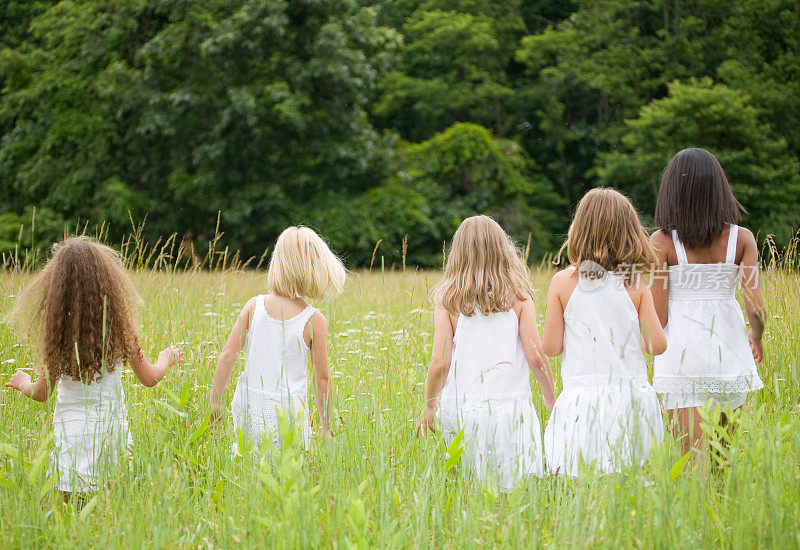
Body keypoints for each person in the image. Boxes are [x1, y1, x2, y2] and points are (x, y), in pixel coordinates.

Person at [5, 237, 182, 501]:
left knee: (69, 509)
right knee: (112, 510)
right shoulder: (121, 331)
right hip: (112, 435)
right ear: (108, 284)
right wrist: (165, 358)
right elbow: (150, 378)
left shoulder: (58, 337)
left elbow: (42, 393)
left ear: (56, 291)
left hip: (72, 435)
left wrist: (22, 383)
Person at [415, 215, 556, 491]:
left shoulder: (448, 300)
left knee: (470, 488)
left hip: (462, 408)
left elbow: (440, 362)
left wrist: (430, 405)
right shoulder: (520, 296)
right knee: (515, 490)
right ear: (503, 250)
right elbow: (536, 356)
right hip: (511, 410)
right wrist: (552, 402)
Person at [650, 148, 765, 459]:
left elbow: (657, 317)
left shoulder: (661, 243)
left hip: (683, 358)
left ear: (671, 191)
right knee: (721, 459)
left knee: (689, 459)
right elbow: (755, 307)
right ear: (720, 190)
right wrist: (756, 338)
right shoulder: (742, 239)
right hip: (731, 355)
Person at [543, 189, 666, 477]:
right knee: (633, 483)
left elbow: (550, 347)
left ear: (579, 230)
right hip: (631, 400)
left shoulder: (563, 282)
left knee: (581, 484)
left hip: (581, 403)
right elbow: (657, 346)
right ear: (630, 234)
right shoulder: (635, 283)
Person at [210, 226, 345, 452]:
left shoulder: (254, 306)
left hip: (250, 404)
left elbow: (228, 355)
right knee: (285, 474)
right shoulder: (314, 320)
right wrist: (326, 427)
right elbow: (322, 381)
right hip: (288, 412)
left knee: (247, 461)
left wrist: (215, 401)